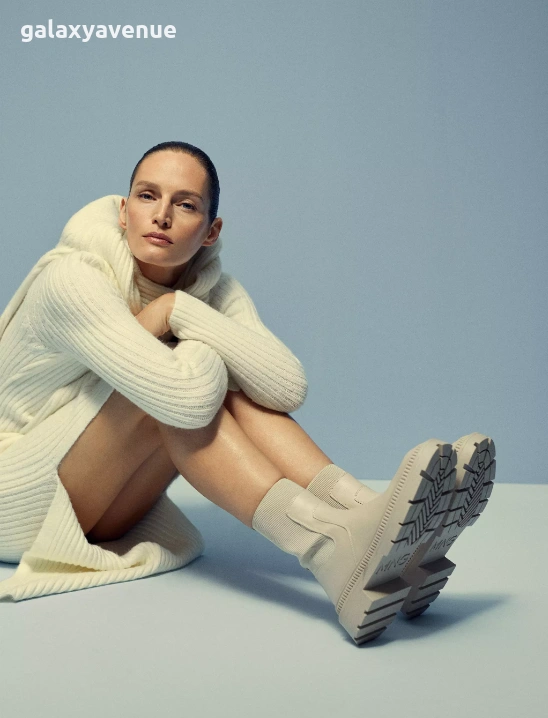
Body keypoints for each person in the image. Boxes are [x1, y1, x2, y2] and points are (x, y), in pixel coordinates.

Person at [0, 141, 496, 644]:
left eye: (185, 204)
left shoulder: (212, 289)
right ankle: (327, 546)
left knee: (225, 383)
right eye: (148, 196)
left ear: (211, 231)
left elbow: (285, 387)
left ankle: (369, 517)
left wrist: (179, 310)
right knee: (183, 385)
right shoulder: (72, 280)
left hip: (100, 500)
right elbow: (186, 401)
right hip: (13, 497)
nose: (162, 215)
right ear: (124, 212)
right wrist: (195, 330)